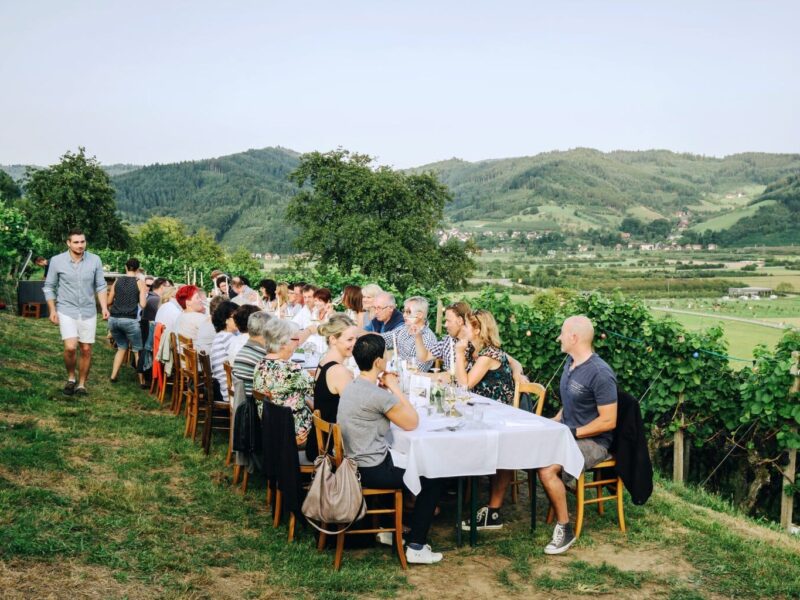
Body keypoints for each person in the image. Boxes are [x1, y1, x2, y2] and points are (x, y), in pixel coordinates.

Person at [338, 334, 445, 564]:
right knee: (433, 477)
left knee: (413, 460)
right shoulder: (375, 394)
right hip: (371, 467)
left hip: (354, 461)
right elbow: (412, 422)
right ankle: (416, 545)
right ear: (378, 361)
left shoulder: (354, 385)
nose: (387, 358)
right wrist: (395, 388)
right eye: (385, 354)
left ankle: (390, 526)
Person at [537, 316, 618, 555]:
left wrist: (571, 432)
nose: (558, 338)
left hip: (595, 442)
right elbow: (571, 404)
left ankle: (565, 527)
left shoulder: (600, 373)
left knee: (546, 468)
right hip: (569, 433)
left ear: (574, 337)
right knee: (530, 449)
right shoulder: (570, 363)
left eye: (562, 333)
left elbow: (608, 420)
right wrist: (552, 422)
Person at [456, 309, 518, 532]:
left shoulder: (489, 355)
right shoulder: (478, 352)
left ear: (478, 329)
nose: (463, 330)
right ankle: (457, 493)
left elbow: (465, 385)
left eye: (467, 326)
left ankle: (493, 510)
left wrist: (457, 353)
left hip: (498, 417)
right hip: (481, 413)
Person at [43, 228, 109, 397]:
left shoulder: (95, 260)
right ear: (68, 243)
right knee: (71, 348)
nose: (80, 245)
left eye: (83, 242)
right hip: (66, 309)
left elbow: (101, 285)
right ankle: (71, 377)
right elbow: (49, 287)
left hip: (88, 310)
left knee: (86, 349)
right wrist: (52, 310)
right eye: (76, 242)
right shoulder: (57, 261)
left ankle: (81, 384)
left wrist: (104, 307)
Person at [252, 318, 314, 447]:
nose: (298, 344)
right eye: (295, 340)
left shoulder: (260, 365)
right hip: (293, 434)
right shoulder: (292, 369)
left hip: (269, 430)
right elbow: (320, 391)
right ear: (283, 343)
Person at [305, 314, 357, 459]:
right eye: (349, 339)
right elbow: (357, 409)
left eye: (355, 339)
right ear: (333, 339)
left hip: (318, 441)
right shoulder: (339, 371)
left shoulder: (324, 362)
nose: (354, 343)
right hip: (332, 448)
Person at [107, 258, 148, 384]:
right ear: (137, 269)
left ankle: (113, 376)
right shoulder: (139, 282)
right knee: (137, 350)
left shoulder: (117, 281)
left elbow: (108, 302)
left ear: (126, 267)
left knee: (121, 347)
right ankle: (141, 381)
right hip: (130, 321)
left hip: (114, 320)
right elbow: (142, 304)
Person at [380, 296, 437, 371]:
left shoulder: (428, 338)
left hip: (415, 380)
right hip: (397, 373)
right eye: (404, 311)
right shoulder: (405, 328)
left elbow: (418, 368)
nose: (404, 315)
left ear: (419, 315)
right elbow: (385, 338)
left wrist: (392, 363)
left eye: (408, 312)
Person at [412, 301, 471, 373]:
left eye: (448, 321)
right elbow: (425, 357)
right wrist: (418, 336)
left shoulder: (470, 346)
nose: (445, 325)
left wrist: (420, 375)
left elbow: (451, 376)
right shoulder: (448, 340)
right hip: (446, 383)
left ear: (460, 321)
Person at [232, 311, 272, 400]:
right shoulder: (261, 357)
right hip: (255, 408)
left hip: (243, 406)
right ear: (266, 331)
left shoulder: (245, 349)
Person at [210, 300, 240, 402]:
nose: (239, 320)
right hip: (227, 390)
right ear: (226, 320)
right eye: (236, 317)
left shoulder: (220, 335)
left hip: (219, 386)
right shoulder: (228, 338)